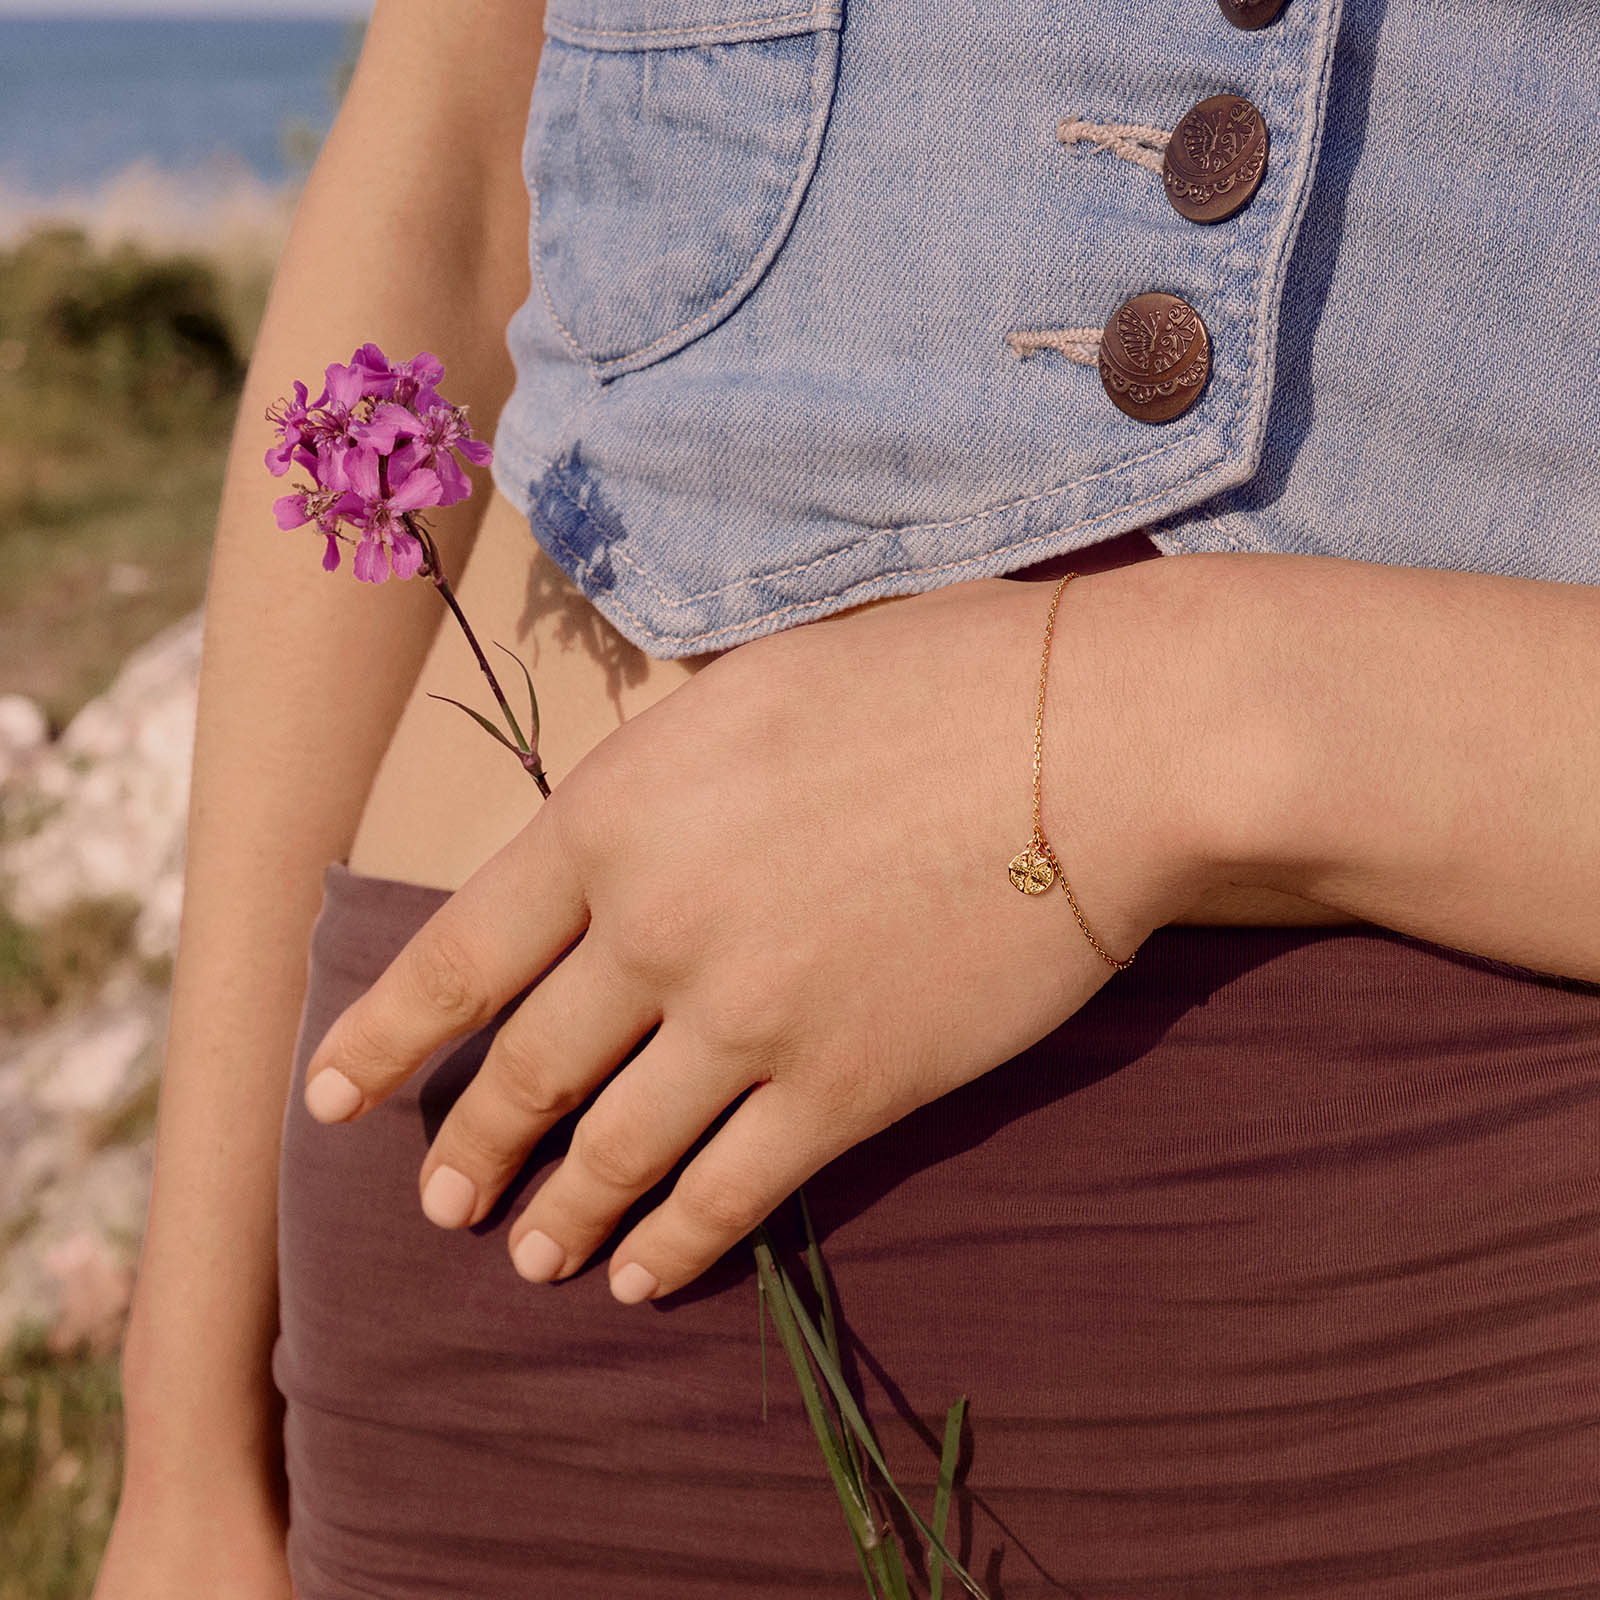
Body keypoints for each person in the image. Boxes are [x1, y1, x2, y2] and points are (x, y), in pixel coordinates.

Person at [94, 0, 1600, 1595]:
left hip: (1484, 1240)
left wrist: (1160, 723)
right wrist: (183, 1439)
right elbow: (455, 167)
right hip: (545, 1200)